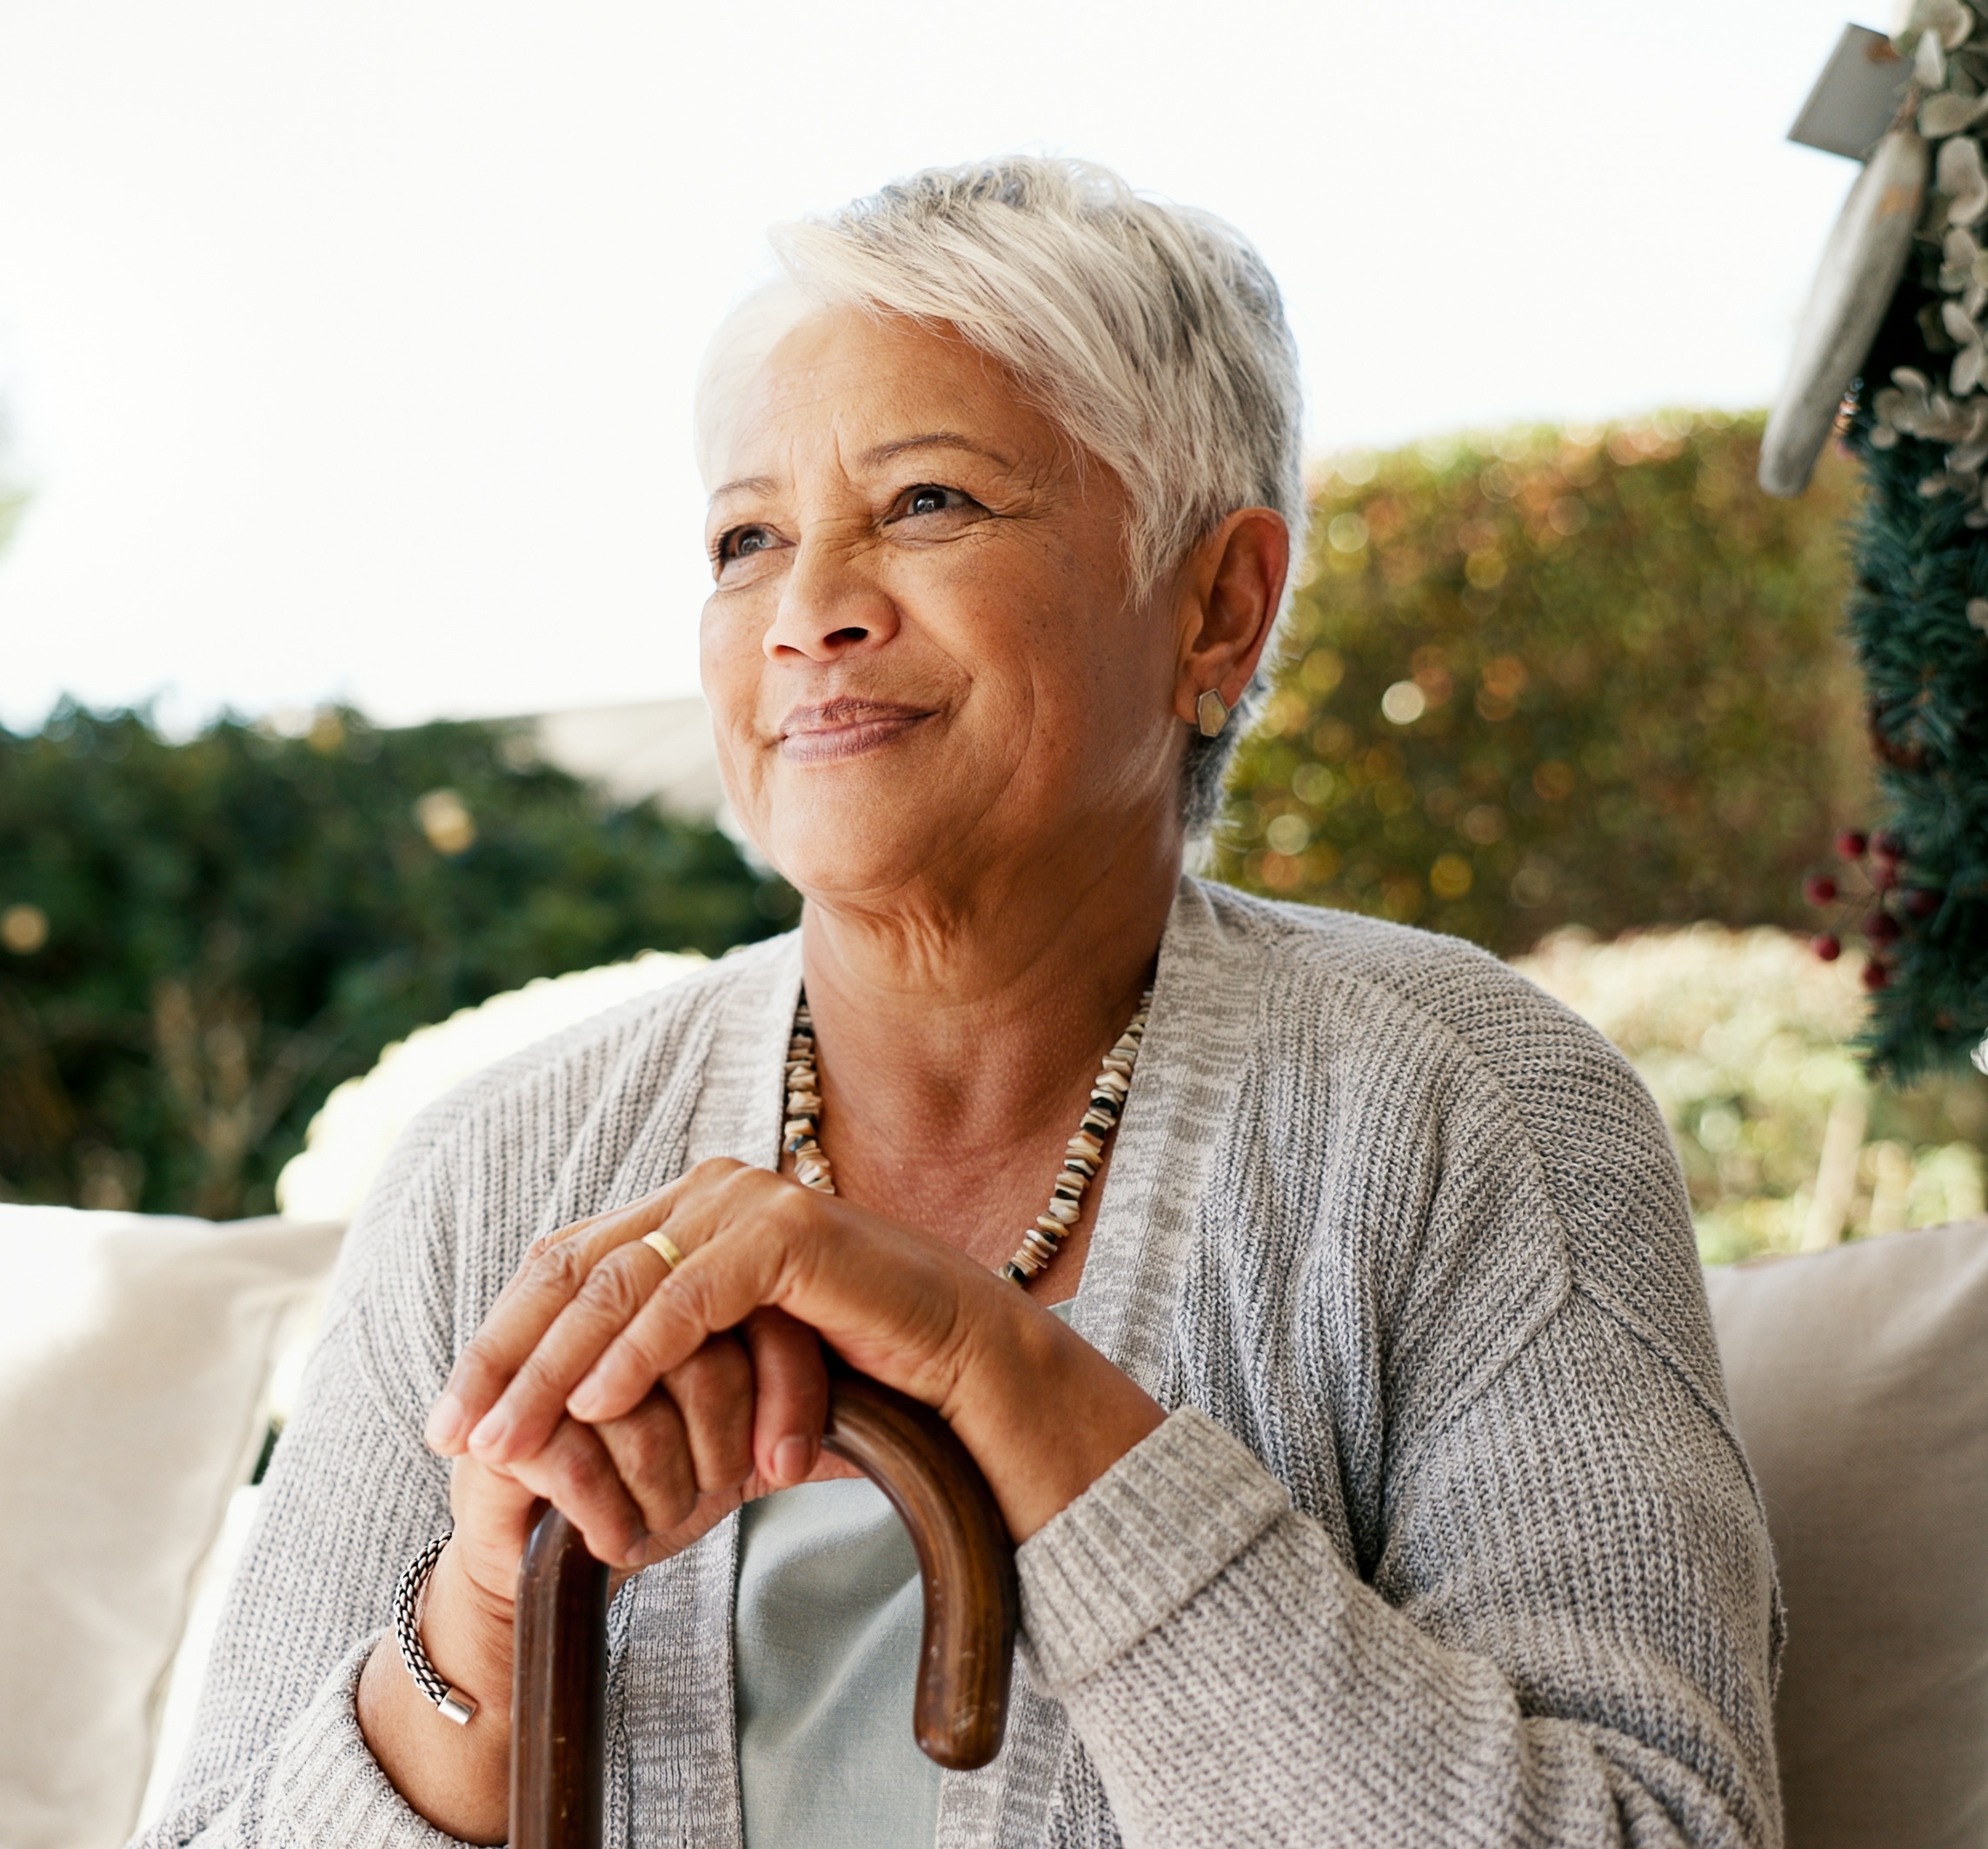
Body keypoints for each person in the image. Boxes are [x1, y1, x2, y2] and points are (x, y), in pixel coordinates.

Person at [136, 156, 1779, 1849]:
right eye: (746, 538)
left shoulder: (1473, 1113)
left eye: (925, 504)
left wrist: (997, 1373)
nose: (807, 614)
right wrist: (483, 1616)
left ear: (1216, 606)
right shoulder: (496, 1170)